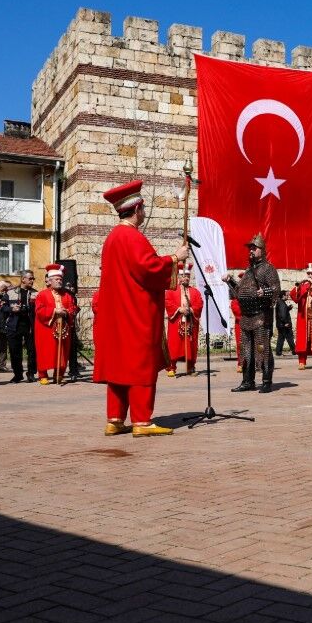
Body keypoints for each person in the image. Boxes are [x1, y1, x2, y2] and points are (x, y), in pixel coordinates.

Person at [93, 180, 188, 436]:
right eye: (143, 209)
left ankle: (115, 419)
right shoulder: (132, 237)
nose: (144, 213)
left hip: (117, 315)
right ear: (136, 209)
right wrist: (174, 259)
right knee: (140, 366)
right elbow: (149, 269)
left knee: (118, 368)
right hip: (136, 313)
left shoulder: (112, 238)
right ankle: (142, 422)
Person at [225, 234, 280, 393]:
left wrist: (266, 292)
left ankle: (266, 381)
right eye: (250, 248)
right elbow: (238, 292)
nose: (251, 250)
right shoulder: (248, 271)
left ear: (262, 250)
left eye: (254, 248)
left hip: (261, 316)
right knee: (246, 350)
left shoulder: (268, 269)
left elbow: (276, 290)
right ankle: (247, 381)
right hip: (246, 317)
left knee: (263, 349)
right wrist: (230, 281)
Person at [34, 263, 78, 384]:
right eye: (57, 279)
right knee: (45, 351)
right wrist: (54, 311)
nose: (59, 281)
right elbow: (39, 310)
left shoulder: (67, 295)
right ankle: (43, 375)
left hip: (62, 327)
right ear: (50, 281)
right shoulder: (42, 294)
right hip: (46, 328)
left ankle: (59, 374)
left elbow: (73, 308)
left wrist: (67, 312)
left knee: (62, 351)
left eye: (60, 279)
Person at [163, 265, 203, 377]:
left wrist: (190, 309)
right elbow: (167, 302)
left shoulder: (195, 292)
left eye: (188, 276)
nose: (186, 278)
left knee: (191, 344)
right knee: (174, 344)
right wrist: (179, 309)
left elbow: (199, 303)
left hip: (191, 322)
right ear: (179, 277)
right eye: (183, 276)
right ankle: (171, 367)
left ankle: (190, 367)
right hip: (176, 321)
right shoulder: (172, 291)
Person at [5, 269, 38, 384]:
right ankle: (18, 374)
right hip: (14, 326)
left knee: (32, 351)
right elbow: (2, 308)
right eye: (30, 278)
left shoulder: (36, 293)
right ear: (23, 279)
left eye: (33, 279)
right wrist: (11, 309)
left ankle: (31, 373)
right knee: (15, 351)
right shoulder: (10, 292)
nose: (32, 280)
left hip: (30, 326)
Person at [273, 289, 294, 356]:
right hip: (284, 324)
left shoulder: (280, 302)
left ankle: (278, 352)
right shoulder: (281, 303)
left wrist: (288, 308)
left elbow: (282, 312)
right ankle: (294, 350)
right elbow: (282, 314)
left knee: (281, 338)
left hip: (281, 324)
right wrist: (285, 322)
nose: (288, 296)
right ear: (283, 296)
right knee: (289, 337)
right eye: (287, 295)